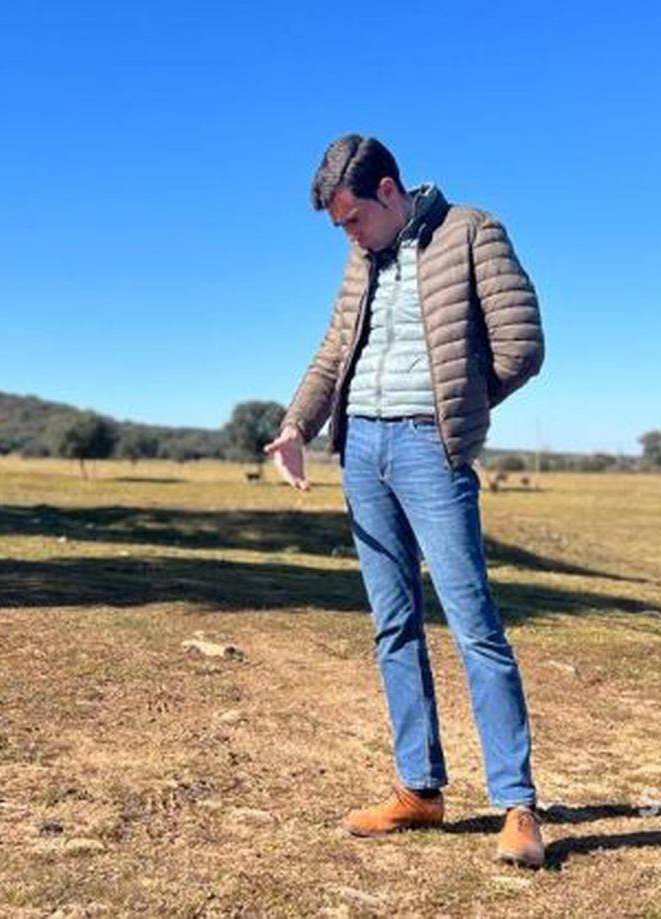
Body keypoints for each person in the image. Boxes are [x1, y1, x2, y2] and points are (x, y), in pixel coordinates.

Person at [263, 134, 547, 867]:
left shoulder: (473, 231)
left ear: (388, 191)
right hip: (361, 449)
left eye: (353, 217)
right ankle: (419, 789)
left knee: (472, 619)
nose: (348, 234)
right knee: (393, 623)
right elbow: (332, 352)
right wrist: (297, 425)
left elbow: (521, 343)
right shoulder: (360, 260)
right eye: (340, 226)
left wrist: (455, 406)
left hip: (430, 445)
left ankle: (516, 805)